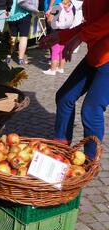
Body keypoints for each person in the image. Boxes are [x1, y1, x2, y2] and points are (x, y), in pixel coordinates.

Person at [40, 0, 109, 159]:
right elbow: (90, 24)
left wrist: (81, 37)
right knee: (65, 97)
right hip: (95, 55)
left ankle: (91, 161)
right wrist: (60, 36)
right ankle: (61, 147)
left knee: (92, 109)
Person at [43, 0, 75, 75]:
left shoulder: (57, 7)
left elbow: (50, 20)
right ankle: (61, 68)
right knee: (62, 50)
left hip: (56, 31)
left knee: (55, 50)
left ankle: (52, 69)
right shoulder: (72, 7)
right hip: (66, 31)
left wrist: (49, 20)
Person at [6, 0, 34, 65]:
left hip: (11, 15)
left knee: (12, 36)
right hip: (24, 13)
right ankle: (21, 60)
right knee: (23, 37)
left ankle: (8, 56)